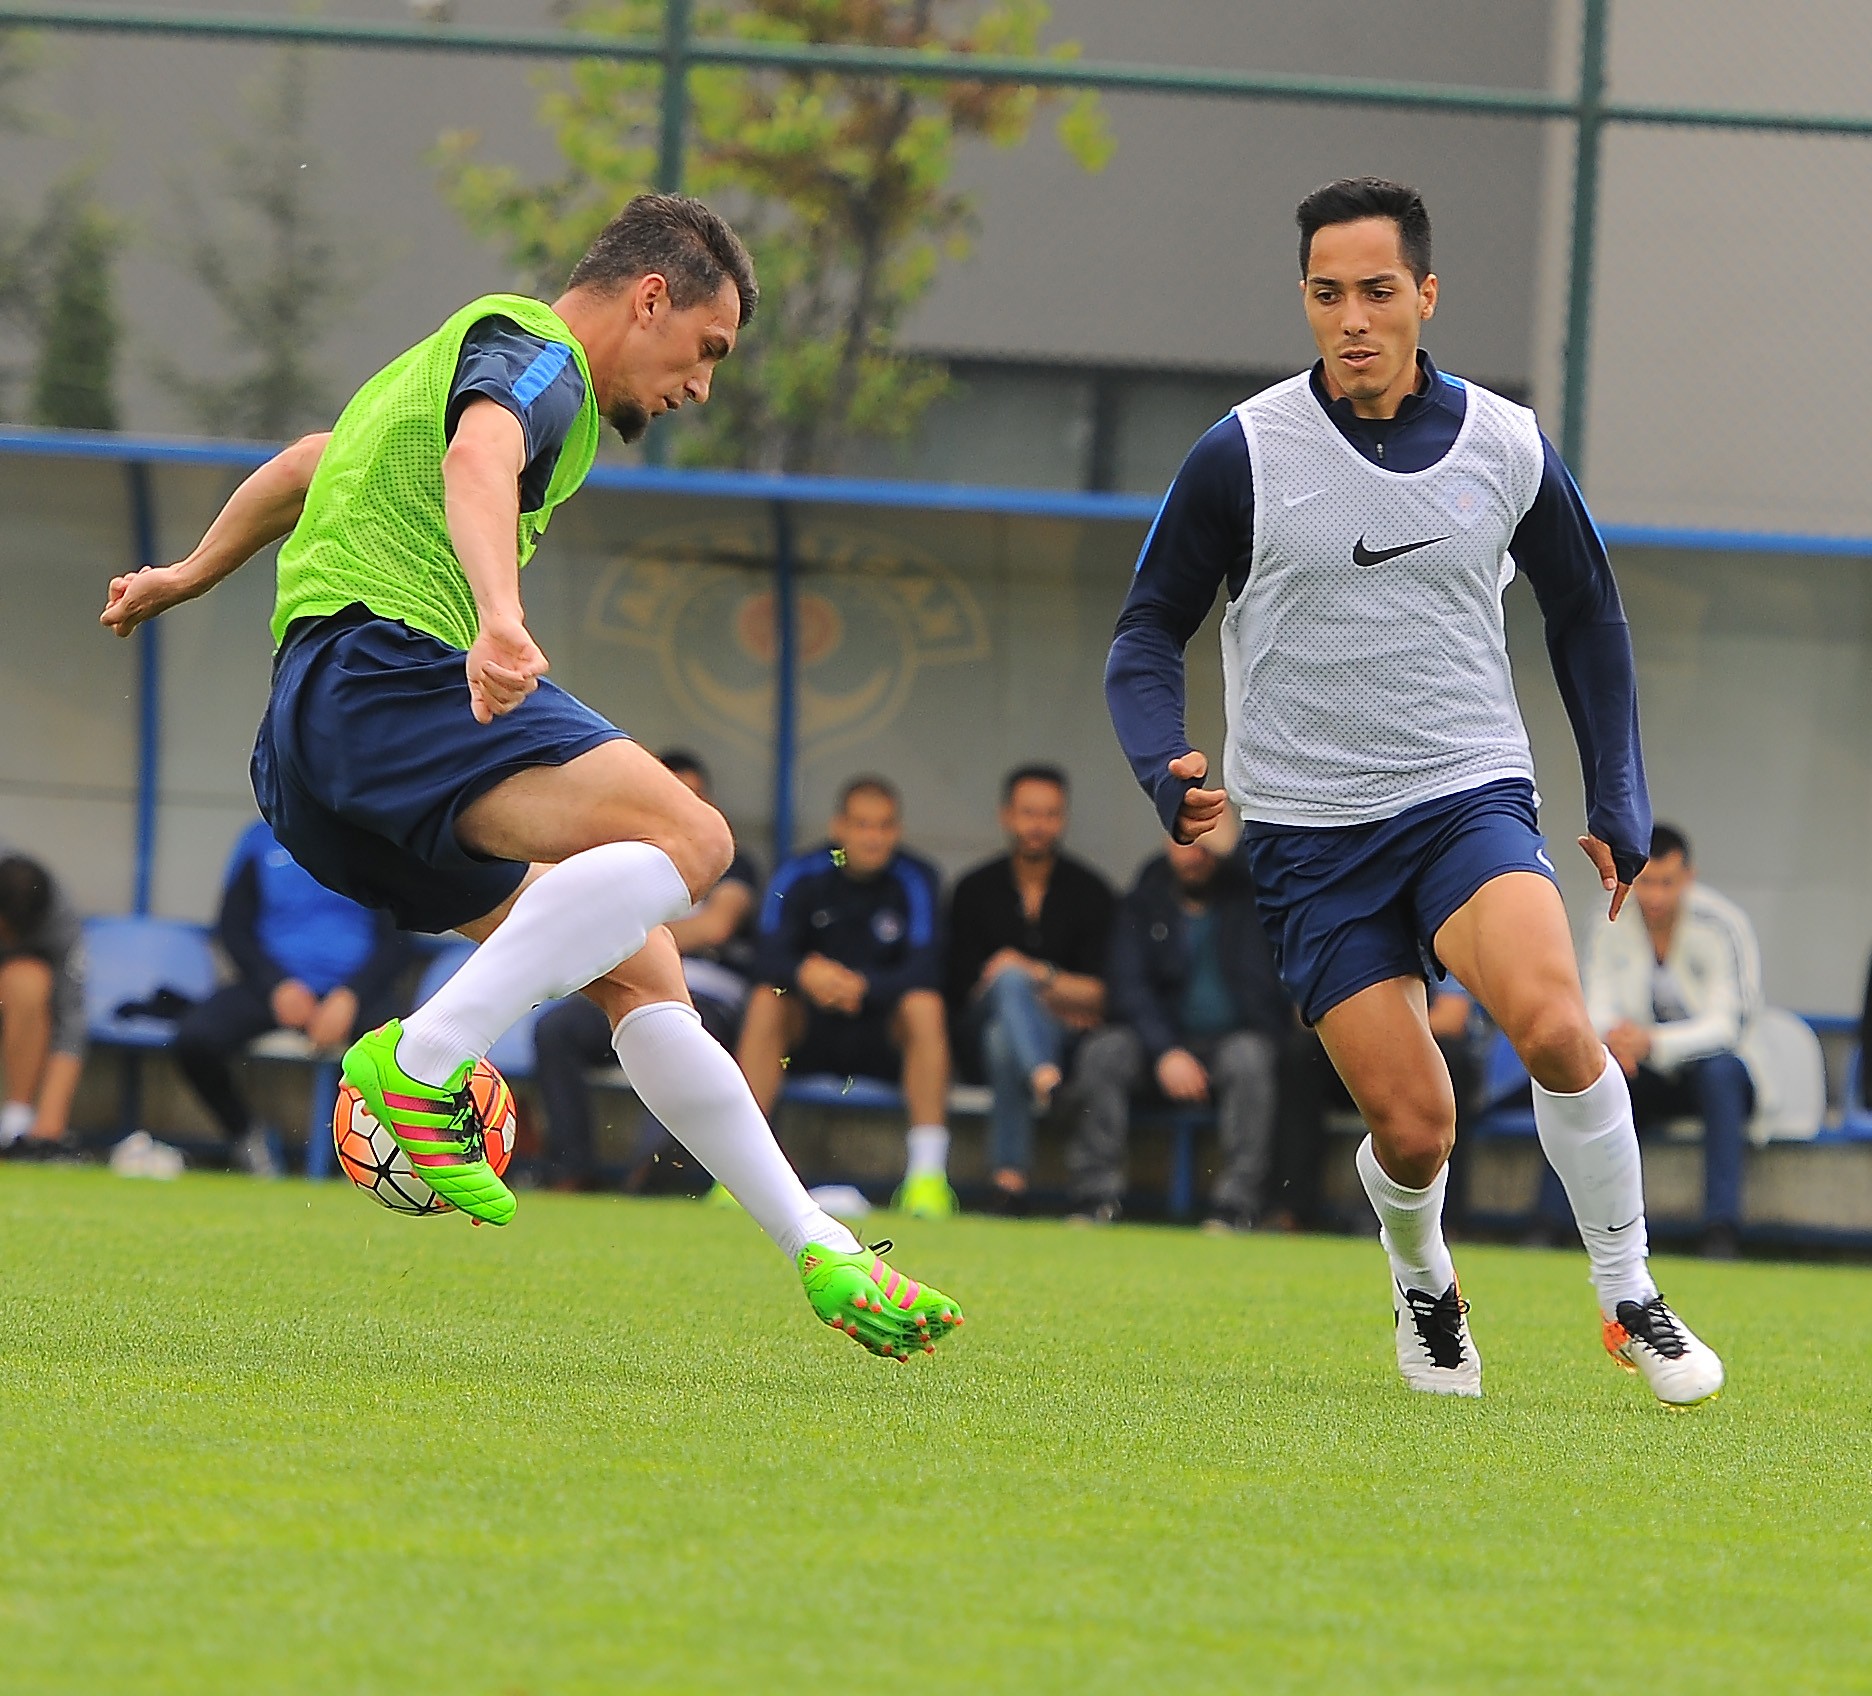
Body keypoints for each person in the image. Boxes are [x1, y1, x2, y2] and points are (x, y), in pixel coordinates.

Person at [99, 192, 959, 1360]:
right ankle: (421, 1062)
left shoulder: (444, 371)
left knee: (644, 973)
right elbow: (481, 453)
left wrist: (186, 574)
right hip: (385, 675)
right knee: (697, 843)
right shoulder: (538, 351)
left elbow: (309, 463)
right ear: (649, 298)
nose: (702, 386)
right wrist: (499, 616)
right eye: (706, 349)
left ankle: (822, 1245)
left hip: (313, 759)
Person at [1105, 176, 1720, 1404]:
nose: (1353, 319)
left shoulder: (1506, 443)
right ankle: (1423, 1278)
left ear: (1426, 294)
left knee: (1557, 1027)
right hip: (1309, 836)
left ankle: (1629, 1292)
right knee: (1416, 1126)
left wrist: (1618, 790)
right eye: (1327, 294)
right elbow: (1146, 630)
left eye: (1378, 291)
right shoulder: (1244, 452)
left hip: (1464, 796)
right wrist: (1162, 761)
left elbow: (1588, 614)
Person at [531, 749, 762, 1191]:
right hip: (630, 987)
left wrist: (633, 929)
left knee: (674, 1035)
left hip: (705, 996)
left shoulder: (729, 856)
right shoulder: (622, 856)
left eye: (694, 796)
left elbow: (716, 925)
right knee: (556, 1029)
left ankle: (651, 1174)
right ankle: (571, 1170)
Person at [737, 777, 953, 1217]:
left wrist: (864, 987)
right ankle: (740, 1172)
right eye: (862, 825)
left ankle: (927, 1178)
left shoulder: (916, 879)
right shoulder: (800, 873)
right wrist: (806, 974)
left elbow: (929, 967)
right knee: (766, 999)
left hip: (881, 1034)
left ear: (897, 830)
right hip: (808, 1033)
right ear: (839, 826)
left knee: (924, 1006)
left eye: (884, 826)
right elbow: (764, 954)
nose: (873, 837)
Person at [1063, 826, 1291, 1231]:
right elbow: (1127, 988)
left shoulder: (1250, 897)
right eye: (1185, 843)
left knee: (1251, 1059)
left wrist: (1231, 846)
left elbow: (1280, 874)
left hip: (1232, 1042)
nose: (1194, 855)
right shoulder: (1143, 901)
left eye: (1205, 846)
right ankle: (1094, 1196)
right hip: (1156, 1048)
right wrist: (1166, 1051)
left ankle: (1236, 1206)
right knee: (1103, 1052)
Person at [173, 820, 408, 1177]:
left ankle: (367, 1159)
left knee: (402, 1054)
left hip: (355, 991)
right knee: (195, 1039)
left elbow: (400, 939)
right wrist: (276, 986)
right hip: (274, 988)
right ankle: (247, 1136)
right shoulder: (258, 840)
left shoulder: (376, 840)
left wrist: (351, 996)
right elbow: (233, 927)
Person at [1574, 823, 1762, 1260]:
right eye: (1645, 883)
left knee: (1721, 1074)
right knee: (1594, 1078)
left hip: (1712, 1072)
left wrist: (1651, 1042)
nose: (1655, 896)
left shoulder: (1723, 924)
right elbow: (1594, 1006)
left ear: (1688, 878)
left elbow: (1729, 1025)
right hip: (1640, 1069)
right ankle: (1554, 1224)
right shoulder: (1608, 917)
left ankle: (1720, 1230)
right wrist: (1618, 1040)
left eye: (1667, 883)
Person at [945, 765, 1113, 1212]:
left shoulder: (1090, 891)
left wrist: (1035, 975)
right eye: (1028, 813)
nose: (1038, 825)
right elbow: (961, 991)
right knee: (1005, 987)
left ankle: (1009, 1183)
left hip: (1062, 1040)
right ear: (1006, 815)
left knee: (1005, 1031)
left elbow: (1102, 994)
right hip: (973, 1041)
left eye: (1050, 814)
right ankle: (1047, 1082)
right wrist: (1044, 989)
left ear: (1064, 819)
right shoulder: (973, 890)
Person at [0, 851, 86, 1155]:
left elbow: (71, 1018)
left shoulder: (58, 919)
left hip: (11, 1000)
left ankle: (16, 1122)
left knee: (27, 982)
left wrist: (50, 1121)